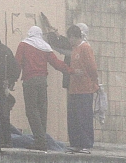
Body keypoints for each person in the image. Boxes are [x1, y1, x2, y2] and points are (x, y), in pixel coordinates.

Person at [15, 25, 75, 151]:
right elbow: (56, 63)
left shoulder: (24, 45)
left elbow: (17, 63)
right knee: (42, 110)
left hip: (29, 81)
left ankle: (40, 139)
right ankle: (42, 140)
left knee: (31, 111)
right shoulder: (45, 47)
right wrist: (70, 70)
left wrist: (12, 80)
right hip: (42, 81)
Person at [66, 24, 99, 153]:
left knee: (84, 116)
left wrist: (93, 82)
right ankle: (75, 142)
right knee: (74, 117)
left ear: (74, 37)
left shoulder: (85, 48)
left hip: (84, 89)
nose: (69, 41)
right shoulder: (74, 49)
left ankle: (86, 143)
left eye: (70, 38)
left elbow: (92, 67)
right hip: (74, 89)